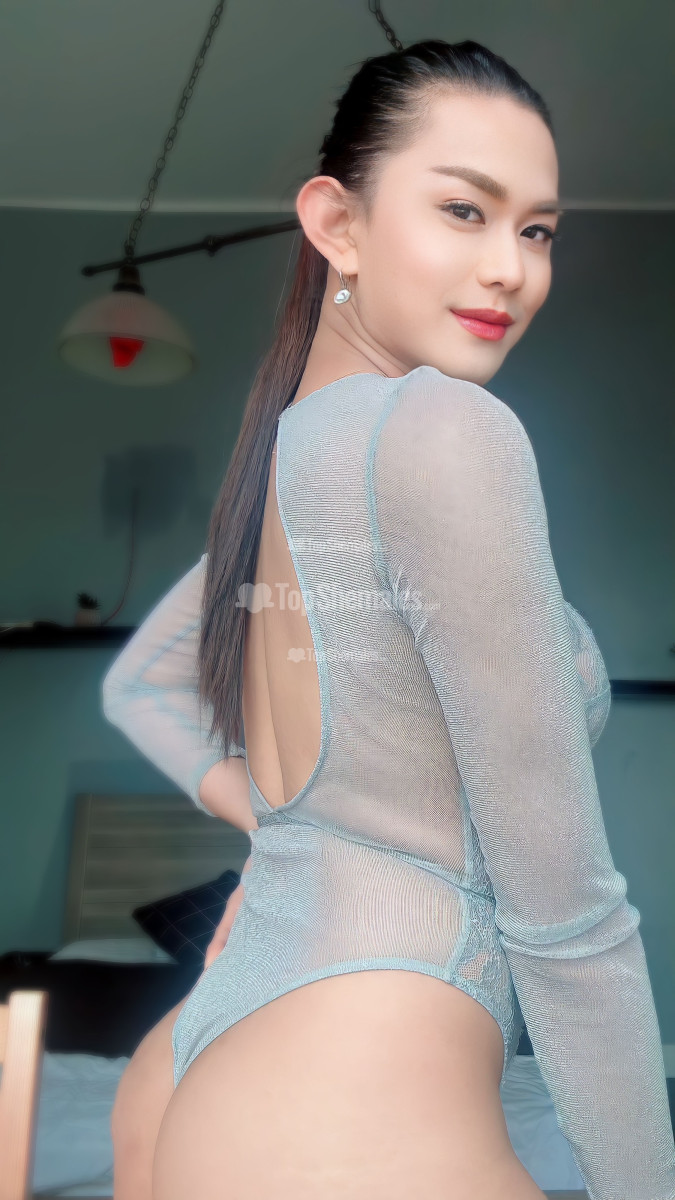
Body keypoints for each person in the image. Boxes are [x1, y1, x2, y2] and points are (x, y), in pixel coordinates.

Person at [101, 37, 675, 1200]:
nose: (510, 269)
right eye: (464, 210)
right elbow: (567, 917)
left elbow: (137, 686)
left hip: (205, 1061)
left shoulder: (278, 470)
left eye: (537, 230)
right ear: (337, 223)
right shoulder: (441, 432)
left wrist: (284, 831)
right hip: (356, 1089)